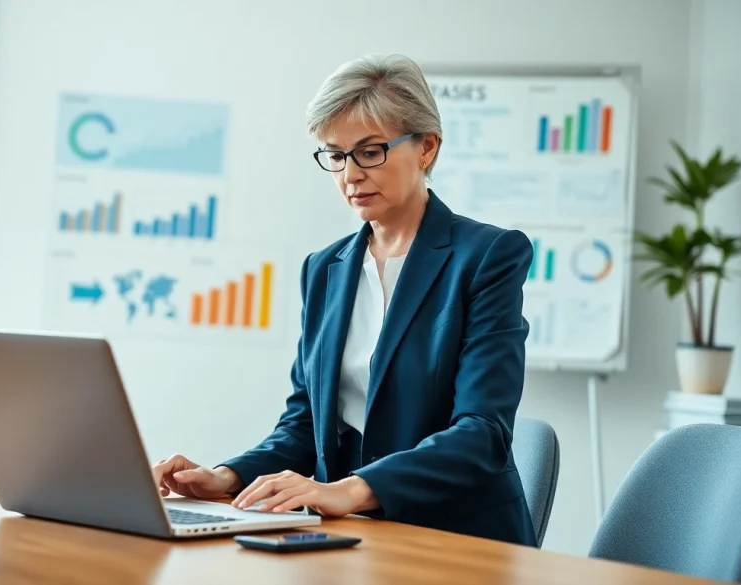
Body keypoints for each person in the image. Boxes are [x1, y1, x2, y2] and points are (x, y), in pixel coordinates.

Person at [151, 54, 537, 546]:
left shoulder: (486, 256)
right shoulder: (324, 269)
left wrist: (352, 490)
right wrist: (227, 477)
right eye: (334, 155)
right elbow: (306, 424)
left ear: (426, 148)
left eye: (370, 151)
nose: (350, 174)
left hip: (458, 538)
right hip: (352, 537)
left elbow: (482, 432)